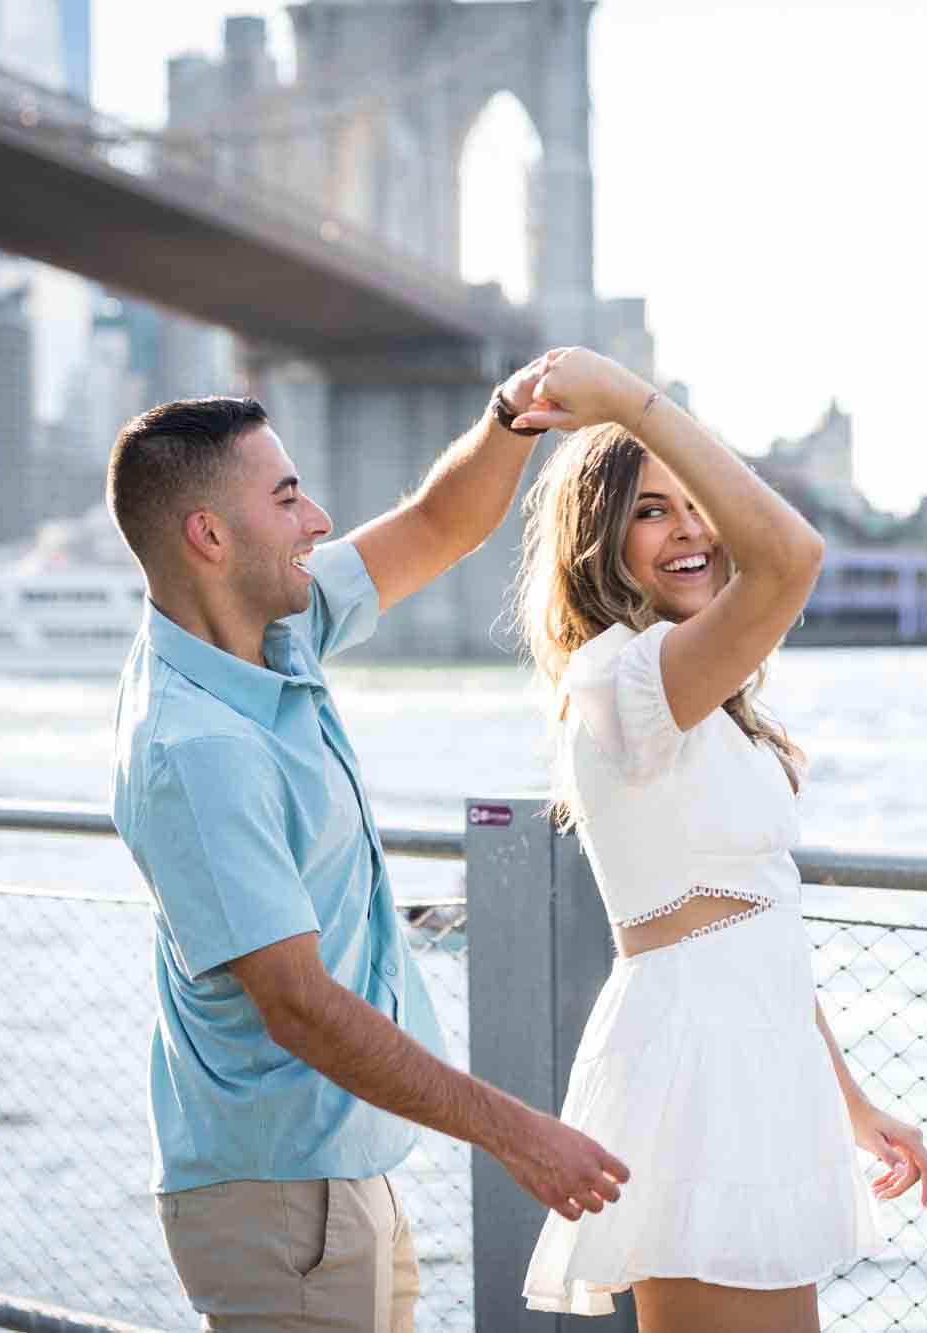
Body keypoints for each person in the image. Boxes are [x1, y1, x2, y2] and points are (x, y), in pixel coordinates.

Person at [107, 353, 627, 1331]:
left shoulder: (273, 629)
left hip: (331, 1169)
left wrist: (509, 418)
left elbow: (437, 524)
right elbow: (298, 1007)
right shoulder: (196, 748)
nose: (319, 523)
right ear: (210, 535)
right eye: (290, 497)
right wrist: (518, 1134)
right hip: (278, 1201)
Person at [510, 349, 927, 1332]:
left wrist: (850, 1100)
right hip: (697, 1065)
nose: (690, 526)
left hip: (759, 1049)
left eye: (694, 500)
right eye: (651, 509)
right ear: (597, 540)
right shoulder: (622, 680)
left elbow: (754, 915)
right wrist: (630, 403)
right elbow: (792, 558)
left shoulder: (702, 698)